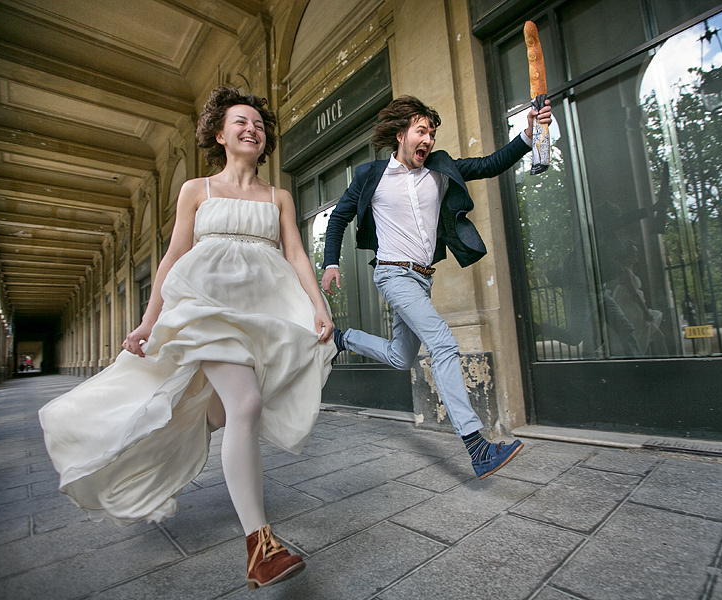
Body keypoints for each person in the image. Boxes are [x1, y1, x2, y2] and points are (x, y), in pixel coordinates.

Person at [38, 86, 337, 589]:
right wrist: (148, 320)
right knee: (244, 406)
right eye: (241, 122)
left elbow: (296, 255)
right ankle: (260, 547)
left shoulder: (278, 196)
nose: (252, 129)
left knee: (229, 408)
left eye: (259, 125)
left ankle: (195, 421)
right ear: (220, 134)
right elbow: (174, 257)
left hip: (262, 309)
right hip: (204, 305)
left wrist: (318, 303)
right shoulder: (196, 190)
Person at [320, 95, 551, 479]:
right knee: (443, 342)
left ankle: (342, 340)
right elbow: (338, 218)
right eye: (421, 130)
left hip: (422, 278)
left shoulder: (439, 170)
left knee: (399, 356)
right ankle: (477, 448)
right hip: (392, 274)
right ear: (401, 135)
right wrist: (330, 262)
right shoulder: (371, 176)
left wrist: (528, 135)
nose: (427, 138)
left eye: (431, 132)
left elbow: (490, 164)